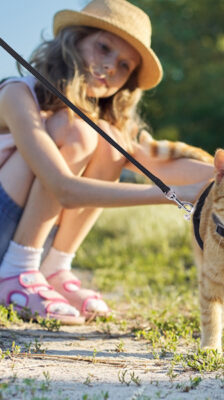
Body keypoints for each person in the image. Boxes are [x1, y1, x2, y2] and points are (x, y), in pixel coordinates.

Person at [0, 0, 213, 325]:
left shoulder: (98, 125)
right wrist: (173, 194)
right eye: (103, 48)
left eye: (125, 65)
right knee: (78, 132)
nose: (112, 66)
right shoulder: (16, 94)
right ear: (74, 41)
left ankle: (53, 268)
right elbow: (63, 188)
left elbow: (156, 163)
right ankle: (17, 272)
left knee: (110, 144)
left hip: (24, 242)